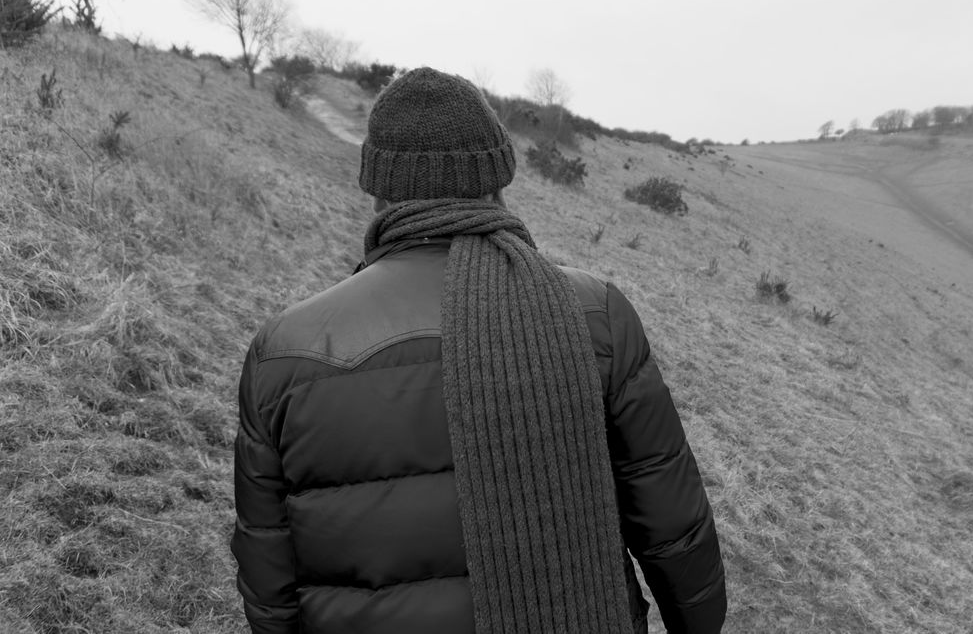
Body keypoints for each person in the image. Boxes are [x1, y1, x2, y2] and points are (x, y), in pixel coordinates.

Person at [231, 67, 727, 634]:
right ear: (496, 179)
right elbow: (672, 519)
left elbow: (268, 571)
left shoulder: (283, 351)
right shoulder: (593, 314)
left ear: (376, 187)